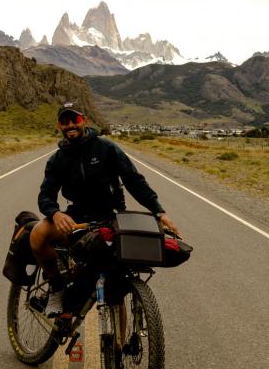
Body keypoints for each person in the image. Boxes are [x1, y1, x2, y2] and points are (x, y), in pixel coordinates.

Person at [30, 103, 180, 317]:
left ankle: (117, 346)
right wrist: (55, 213)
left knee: (114, 281)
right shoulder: (57, 159)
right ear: (59, 125)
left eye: (75, 120)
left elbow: (134, 181)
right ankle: (56, 288)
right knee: (38, 234)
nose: (70, 125)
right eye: (65, 121)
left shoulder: (106, 148)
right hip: (76, 217)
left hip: (110, 217)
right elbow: (45, 195)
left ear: (85, 121)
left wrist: (159, 212)